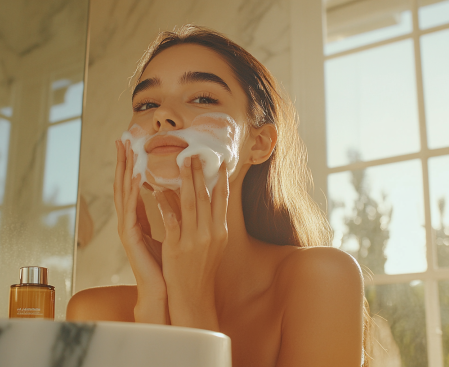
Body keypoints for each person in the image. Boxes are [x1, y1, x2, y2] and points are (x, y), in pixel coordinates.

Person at [67, 25, 366, 367]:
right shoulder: (94, 313)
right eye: (146, 104)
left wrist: (190, 304)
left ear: (259, 144)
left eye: (203, 98)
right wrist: (154, 302)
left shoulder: (322, 279)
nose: (162, 116)